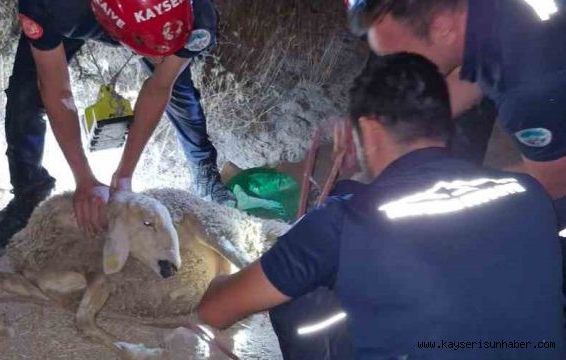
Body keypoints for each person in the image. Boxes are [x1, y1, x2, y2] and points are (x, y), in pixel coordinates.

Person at [196, 53, 564, 359]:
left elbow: (216, 309)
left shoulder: (343, 221)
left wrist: (219, 277)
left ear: (368, 130)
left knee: (305, 295)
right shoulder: (527, 192)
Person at [0, 0, 235, 260]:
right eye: (153, 51)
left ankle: (204, 171)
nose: (158, 58)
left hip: (152, 24)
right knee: (25, 92)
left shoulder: (196, 17)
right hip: (86, 13)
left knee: (179, 88)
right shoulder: (48, 6)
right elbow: (56, 90)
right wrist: (83, 178)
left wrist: (124, 175)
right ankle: (28, 192)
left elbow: (159, 87)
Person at [344, 0, 566, 231]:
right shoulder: (481, 19)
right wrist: (385, 126)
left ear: (443, 28)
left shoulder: (526, 95)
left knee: (506, 225)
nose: (399, 70)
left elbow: (553, 183)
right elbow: (474, 77)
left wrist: (446, 190)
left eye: (401, 58)